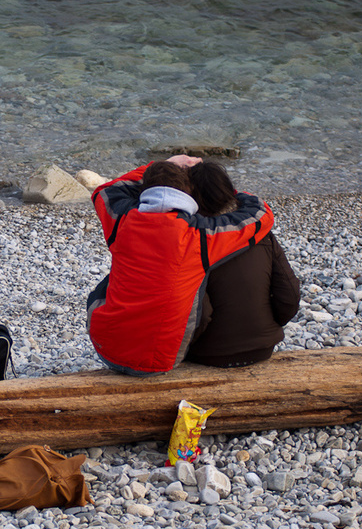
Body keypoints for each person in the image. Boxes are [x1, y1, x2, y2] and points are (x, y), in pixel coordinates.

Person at [86, 155, 275, 376]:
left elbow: (107, 190)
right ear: (188, 193)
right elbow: (261, 215)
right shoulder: (200, 236)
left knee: (113, 279)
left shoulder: (121, 220)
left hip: (106, 348)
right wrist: (226, 191)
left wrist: (163, 165)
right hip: (159, 361)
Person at [184, 161, 301, 367]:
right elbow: (290, 295)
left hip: (207, 353)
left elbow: (200, 314)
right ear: (229, 191)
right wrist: (264, 325)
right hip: (262, 347)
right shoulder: (260, 231)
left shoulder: (194, 242)